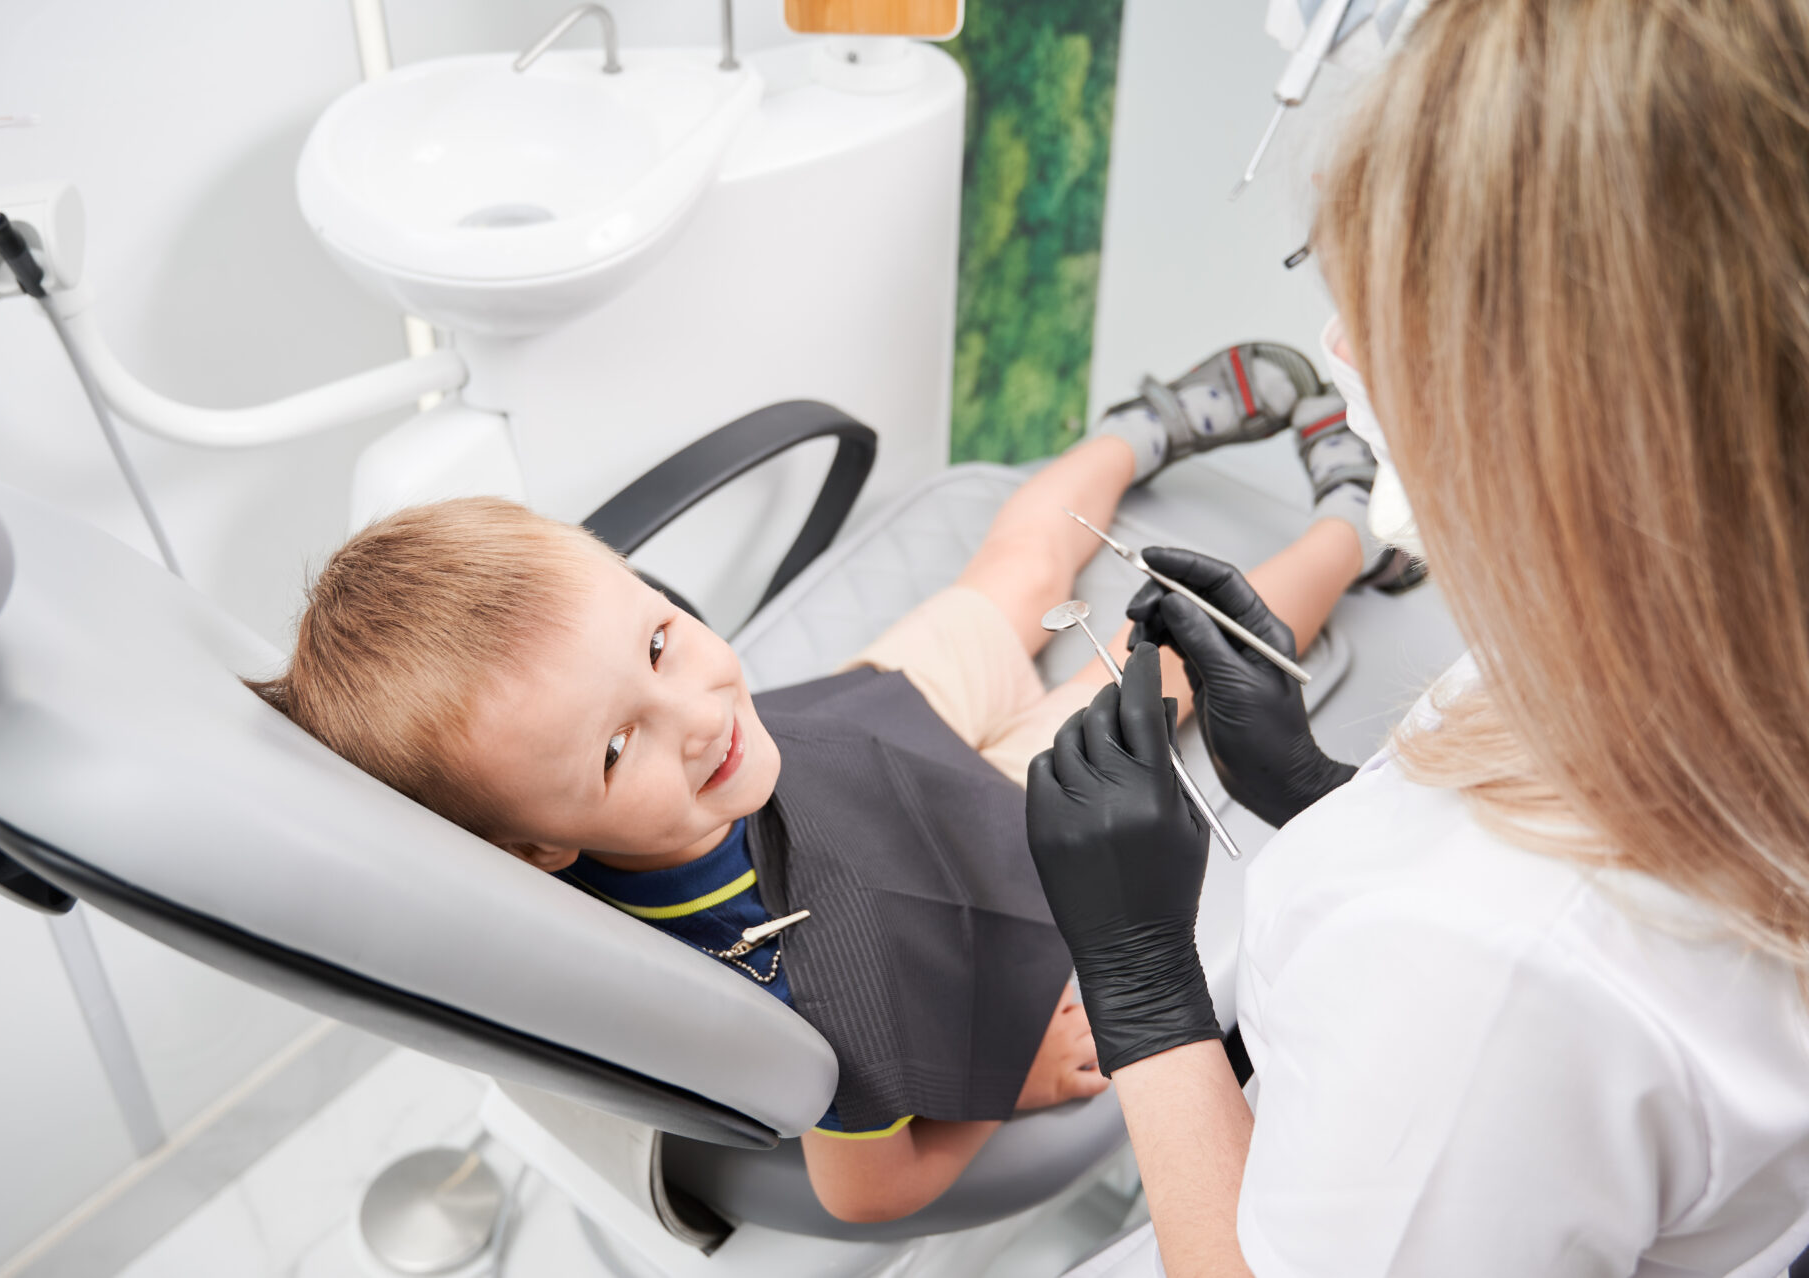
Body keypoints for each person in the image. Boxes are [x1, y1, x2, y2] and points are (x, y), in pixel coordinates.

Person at [248, 343, 1390, 1223]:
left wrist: (647, 721)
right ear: (543, 846)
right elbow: (866, 1190)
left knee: (1020, 563)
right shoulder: (790, 984)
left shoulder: (716, 747)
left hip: (864, 722)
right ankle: (1360, 522)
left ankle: (1146, 427)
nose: (699, 717)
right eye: (614, 749)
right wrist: (1017, 1089)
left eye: (657, 641)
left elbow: (693, 718)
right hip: (997, 818)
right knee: (1185, 660)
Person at [1026, 1, 1809, 1273]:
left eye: (1392, 309)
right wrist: (1310, 791)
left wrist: (1143, 985)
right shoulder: (1713, 617)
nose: (1336, 347)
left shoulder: (1489, 973)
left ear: (1555, 423)